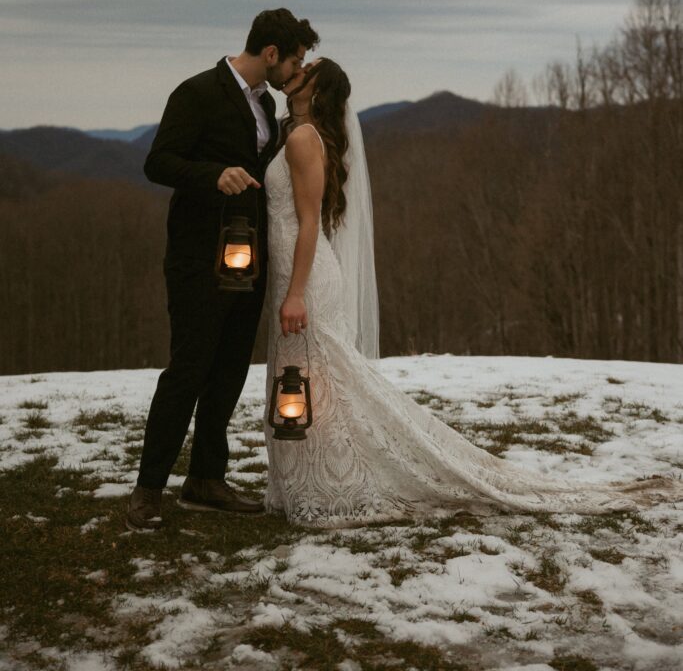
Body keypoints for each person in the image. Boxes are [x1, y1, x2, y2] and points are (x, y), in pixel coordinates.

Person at [263, 59, 683, 527]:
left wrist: (296, 293)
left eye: (308, 69)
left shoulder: (303, 139)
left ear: (318, 91)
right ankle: (308, 480)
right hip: (298, 273)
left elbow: (308, 223)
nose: (297, 71)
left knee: (310, 380)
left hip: (305, 278)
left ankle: (328, 484)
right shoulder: (296, 133)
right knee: (309, 380)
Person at [126, 8, 319, 531]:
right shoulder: (197, 92)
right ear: (271, 53)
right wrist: (214, 175)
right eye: (294, 60)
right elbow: (158, 162)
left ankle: (207, 478)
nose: (295, 71)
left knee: (230, 368)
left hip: (248, 260)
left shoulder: (268, 105)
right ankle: (148, 491)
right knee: (188, 367)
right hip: (196, 257)